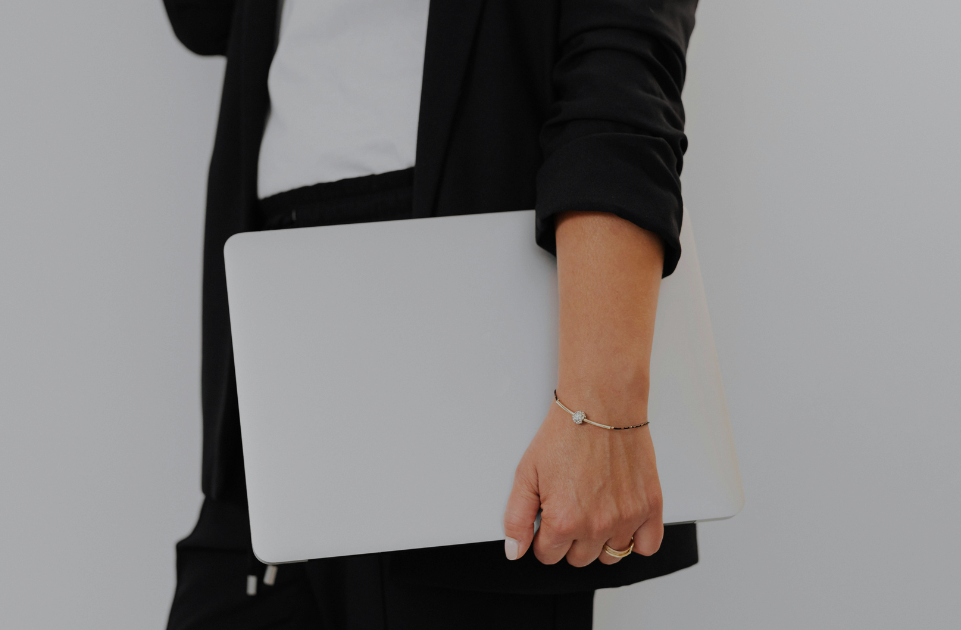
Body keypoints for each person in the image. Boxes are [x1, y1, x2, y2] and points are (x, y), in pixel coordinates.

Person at [164, 1, 701, 628]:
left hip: (465, 306)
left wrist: (601, 408)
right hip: (273, 316)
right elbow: (201, 20)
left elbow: (622, 78)